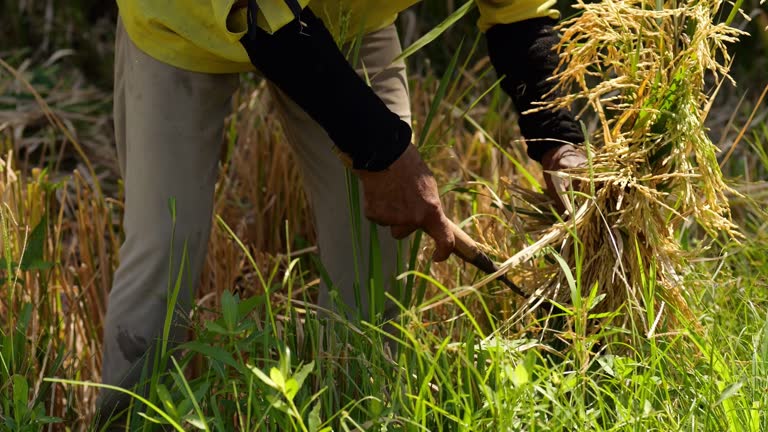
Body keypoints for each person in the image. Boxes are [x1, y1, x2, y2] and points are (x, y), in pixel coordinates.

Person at [97, 0, 586, 427]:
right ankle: (127, 421)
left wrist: (558, 137)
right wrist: (382, 151)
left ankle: (354, 413)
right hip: (183, 17)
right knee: (166, 245)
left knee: (376, 259)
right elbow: (263, 14)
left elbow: (519, 12)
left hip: (344, 16)